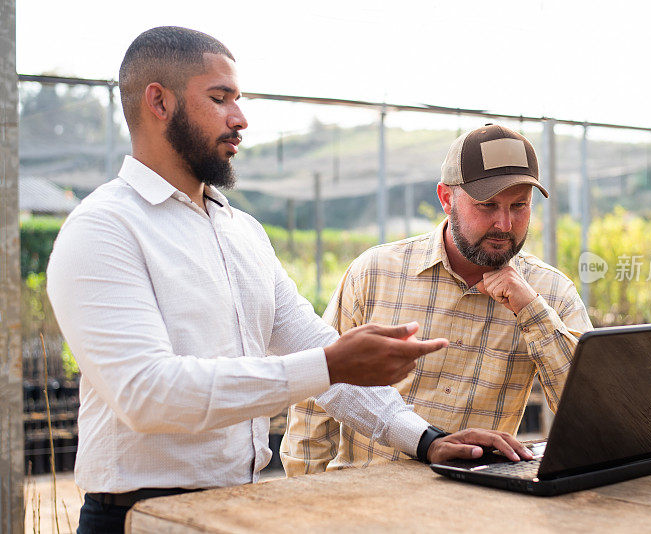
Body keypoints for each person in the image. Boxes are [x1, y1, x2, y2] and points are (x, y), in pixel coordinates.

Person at [46, 28, 531, 533]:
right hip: (134, 518)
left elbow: (312, 342)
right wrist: (328, 365)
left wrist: (426, 440)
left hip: (232, 509)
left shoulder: (242, 233)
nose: (240, 118)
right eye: (220, 99)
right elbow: (148, 394)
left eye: (239, 99)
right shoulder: (104, 229)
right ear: (158, 102)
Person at [281, 123, 593, 476]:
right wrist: (304, 494)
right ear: (446, 198)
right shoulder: (375, 273)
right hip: (363, 499)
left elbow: (591, 413)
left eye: (519, 206)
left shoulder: (550, 293)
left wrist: (531, 311)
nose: (504, 224)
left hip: (473, 505)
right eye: (487, 205)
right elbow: (315, 397)